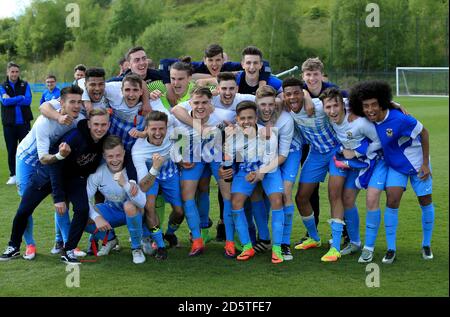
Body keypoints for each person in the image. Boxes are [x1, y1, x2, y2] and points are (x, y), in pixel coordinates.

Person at [349, 80, 435, 263]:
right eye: (366, 106)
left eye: (374, 104)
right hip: (396, 166)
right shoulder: (366, 121)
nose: (370, 109)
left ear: (381, 102)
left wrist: (426, 164)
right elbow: (343, 103)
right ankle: (391, 249)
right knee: (392, 200)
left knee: (425, 200)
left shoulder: (400, 118)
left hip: (418, 163)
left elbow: (424, 133)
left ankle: (426, 244)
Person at [15, 85, 85, 260]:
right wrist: (59, 117)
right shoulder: (46, 117)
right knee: (26, 204)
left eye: (79, 102)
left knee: (60, 199)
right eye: (72, 102)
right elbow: (42, 107)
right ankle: (29, 244)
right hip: (28, 159)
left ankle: (66, 244)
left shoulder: (79, 118)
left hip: (52, 159)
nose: (76, 105)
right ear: (61, 102)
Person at [320, 87, 385, 262]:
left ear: (344, 105)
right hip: (354, 163)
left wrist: (355, 153)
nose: (332, 111)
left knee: (372, 200)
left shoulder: (359, 122)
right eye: (328, 107)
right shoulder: (329, 114)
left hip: (373, 162)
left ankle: (370, 247)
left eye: (336, 106)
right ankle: (355, 242)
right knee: (347, 199)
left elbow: (379, 141)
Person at [281, 78, 341, 258]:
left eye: (297, 93)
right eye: (288, 94)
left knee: (334, 194)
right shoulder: (286, 111)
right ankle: (314, 238)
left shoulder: (319, 106)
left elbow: (347, 102)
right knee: (301, 197)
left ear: (303, 92)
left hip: (337, 151)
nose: (293, 97)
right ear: (284, 96)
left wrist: (392, 103)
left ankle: (336, 246)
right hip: (316, 154)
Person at [226, 100, 283, 263]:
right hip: (246, 170)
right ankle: (247, 247)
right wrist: (225, 170)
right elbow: (230, 160)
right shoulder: (232, 136)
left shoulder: (268, 133)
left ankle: (277, 248)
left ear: (256, 117)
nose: (246, 122)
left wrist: (259, 174)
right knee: (236, 202)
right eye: (242, 118)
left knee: (277, 200)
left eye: (250, 117)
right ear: (237, 119)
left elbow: (269, 161)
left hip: (268, 169)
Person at [85, 135, 147, 264]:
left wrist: (125, 184)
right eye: (110, 156)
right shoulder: (98, 173)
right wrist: (97, 217)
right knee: (82, 217)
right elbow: (86, 199)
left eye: (118, 155)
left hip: (135, 212)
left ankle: (136, 248)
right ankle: (110, 239)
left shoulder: (134, 170)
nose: (114, 160)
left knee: (129, 206)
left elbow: (142, 202)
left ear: (124, 153)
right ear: (104, 156)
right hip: (113, 210)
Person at [132, 110, 183, 260]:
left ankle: (170, 233)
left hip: (170, 173)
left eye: (161, 128)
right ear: (146, 129)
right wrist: (154, 167)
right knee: (149, 207)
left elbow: (178, 115)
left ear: (167, 128)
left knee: (180, 211)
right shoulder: (138, 150)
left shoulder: (172, 127)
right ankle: (160, 245)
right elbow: (143, 186)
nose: (158, 133)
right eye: (153, 129)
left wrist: (179, 155)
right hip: (150, 177)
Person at [159, 44, 272, 87]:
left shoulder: (229, 66)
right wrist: (168, 87)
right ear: (204, 60)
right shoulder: (195, 66)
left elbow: (265, 64)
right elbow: (164, 63)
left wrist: (262, 84)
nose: (214, 64)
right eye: (210, 60)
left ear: (223, 60)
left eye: (218, 60)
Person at [0, 62, 33, 185]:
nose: (14, 74)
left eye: (16, 72)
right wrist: (20, 97)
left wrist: (13, 99)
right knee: (11, 149)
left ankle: (28, 174)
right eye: (12, 71)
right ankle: (13, 175)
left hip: (24, 123)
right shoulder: (2, 86)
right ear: (8, 72)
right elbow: (5, 102)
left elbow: (28, 101)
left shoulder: (25, 84)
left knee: (27, 149)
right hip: (9, 124)